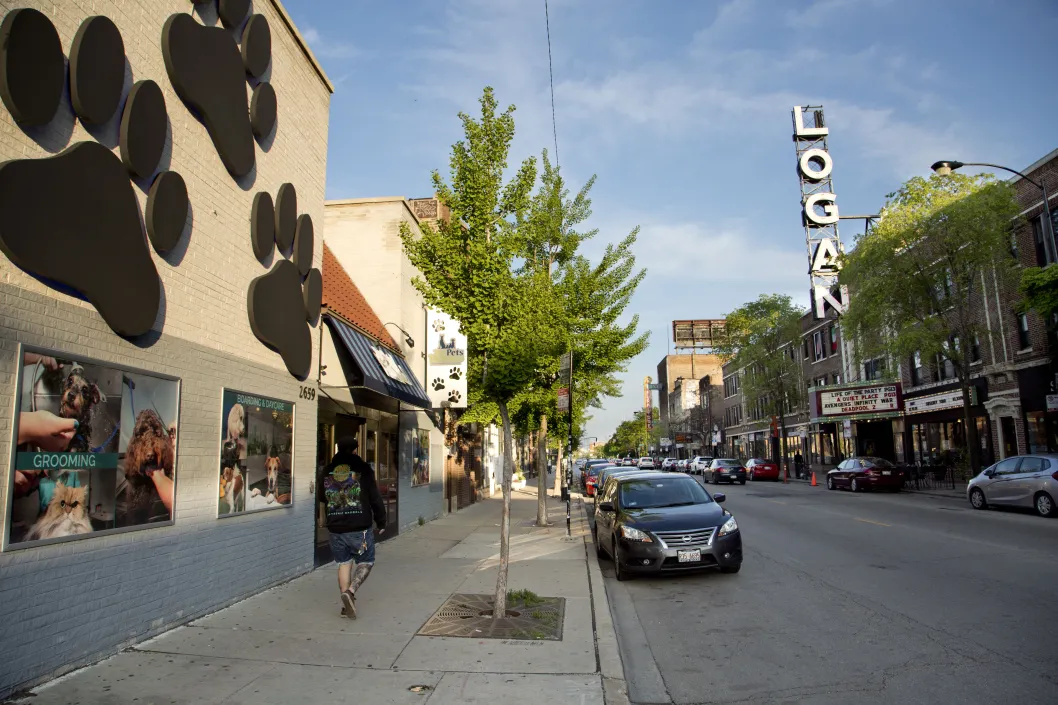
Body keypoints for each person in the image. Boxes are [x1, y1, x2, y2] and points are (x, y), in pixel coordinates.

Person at [316, 436, 386, 619]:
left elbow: (322, 497)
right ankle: (351, 592)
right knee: (366, 561)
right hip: (359, 528)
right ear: (355, 450)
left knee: (343, 564)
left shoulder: (327, 470)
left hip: (336, 528)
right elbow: (375, 497)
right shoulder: (363, 469)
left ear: (338, 449)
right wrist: (381, 521)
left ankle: (345, 606)